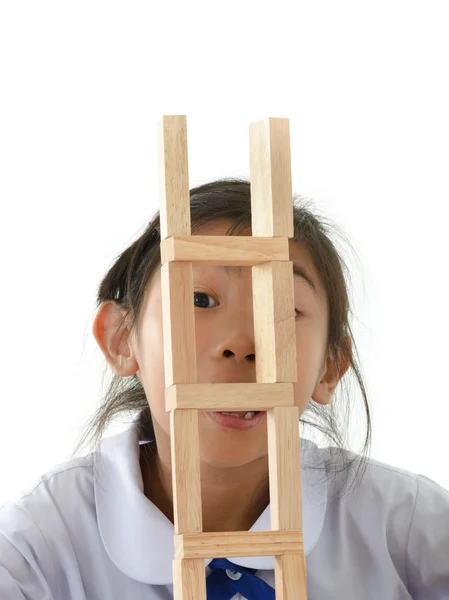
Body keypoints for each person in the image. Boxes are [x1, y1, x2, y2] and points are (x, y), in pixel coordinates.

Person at [1, 178, 448, 599]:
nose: (240, 343)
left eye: (282, 307)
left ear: (330, 366)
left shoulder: (411, 530)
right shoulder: (38, 545)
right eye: (200, 300)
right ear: (121, 338)